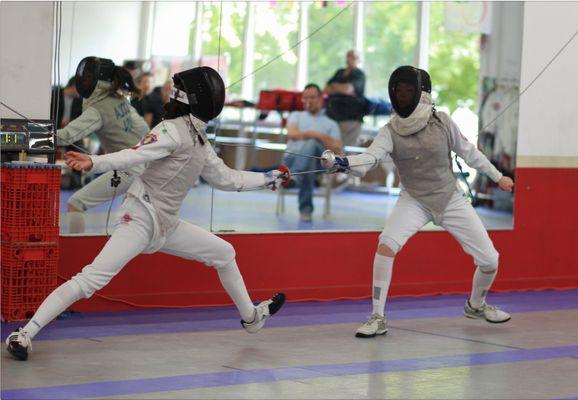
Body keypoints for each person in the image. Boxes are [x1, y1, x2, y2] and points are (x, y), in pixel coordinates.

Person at [5, 66, 287, 361]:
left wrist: (268, 179)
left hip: (166, 224)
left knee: (224, 253)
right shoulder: (170, 129)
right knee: (90, 280)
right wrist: (94, 161)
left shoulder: (200, 142)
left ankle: (252, 319)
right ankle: (24, 334)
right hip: (139, 218)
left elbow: (229, 179)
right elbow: (135, 154)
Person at [321, 66, 515, 338]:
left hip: (450, 198)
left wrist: (498, 176)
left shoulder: (444, 122)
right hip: (414, 199)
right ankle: (377, 316)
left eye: (407, 90)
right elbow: (372, 157)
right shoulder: (390, 130)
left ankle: (476, 305)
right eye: (398, 91)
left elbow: (471, 154)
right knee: (386, 245)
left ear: (422, 94)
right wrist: (342, 162)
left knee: (490, 261)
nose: (401, 96)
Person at [57, 57, 150, 233]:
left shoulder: (98, 109)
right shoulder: (119, 99)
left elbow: (66, 136)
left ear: (96, 81)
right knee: (130, 220)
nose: (84, 80)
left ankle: (77, 252)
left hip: (128, 170)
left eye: (88, 77)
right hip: (146, 165)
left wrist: (34, 136)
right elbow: (143, 128)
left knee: (76, 203)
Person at [284, 83, 343, 222]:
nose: (308, 101)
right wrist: (318, 135)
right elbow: (292, 134)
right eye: (305, 98)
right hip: (292, 158)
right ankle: (305, 209)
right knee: (308, 161)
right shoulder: (296, 115)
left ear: (321, 99)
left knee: (311, 147)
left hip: (319, 164)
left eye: (312, 97)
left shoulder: (331, 123)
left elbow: (338, 148)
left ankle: (295, 177)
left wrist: (316, 137)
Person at [324, 50, 367, 146]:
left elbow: (347, 89)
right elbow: (326, 89)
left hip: (350, 119)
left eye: (353, 57)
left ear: (358, 60)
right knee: (331, 151)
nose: (349, 59)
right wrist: (341, 88)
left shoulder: (359, 74)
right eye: (348, 56)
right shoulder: (340, 72)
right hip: (333, 118)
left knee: (347, 152)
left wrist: (334, 86)